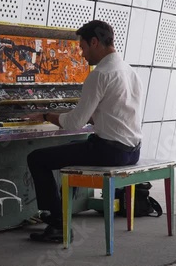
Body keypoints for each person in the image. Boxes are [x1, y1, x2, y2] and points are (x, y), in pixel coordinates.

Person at [27, 20, 143, 243]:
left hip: (110, 153)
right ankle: (61, 212)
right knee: (70, 150)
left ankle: (57, 224)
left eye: (82, 47)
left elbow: (73, 124)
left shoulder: (99, 74)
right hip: (132, 151)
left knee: (37, 158)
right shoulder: (129, 71)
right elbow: (111, 112)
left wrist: (45, 116)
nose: (81, 54)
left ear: (94, 42)